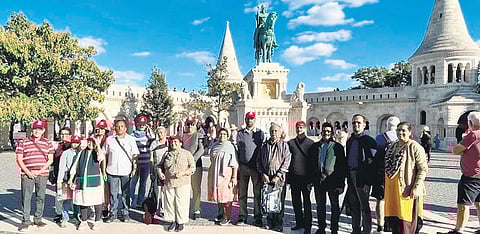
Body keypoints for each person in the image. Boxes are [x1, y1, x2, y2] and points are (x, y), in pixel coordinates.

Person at [439, 112, 480, 234]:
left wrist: (464, 143)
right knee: (479, 203)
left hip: (471, 175)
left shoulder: (472, 135)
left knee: (463, 204)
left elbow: (456, 150)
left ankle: (459, 230)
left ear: (470, 123)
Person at [384, 121, 428, 234]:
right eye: (398, 130)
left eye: (403, 130)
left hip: (407, 190)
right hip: (392, 191)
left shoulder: (415, 147)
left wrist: (416, 187)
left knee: (406, 223)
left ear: (409, 132)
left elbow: (423, 169)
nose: (400, 132)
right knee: (395, 220)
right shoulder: (393, 146)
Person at [309, 122, 347, 234]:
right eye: (324, 131)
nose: (326, 133)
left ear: (332, 133)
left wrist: (341, 184)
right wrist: (311, 180)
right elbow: (311, 164)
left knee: (335, 207)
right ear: (321, 132)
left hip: (332, 182)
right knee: (320, 206)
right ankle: (321, 228)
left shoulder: (337, 147)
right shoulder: (315, 147)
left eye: (328, 131)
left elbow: (342, 167)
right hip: (318, 181)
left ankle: (334, 229)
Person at [16, 120, 54, 232]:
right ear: (31, 130)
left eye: (39, 129)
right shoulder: (23, 142)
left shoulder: (48, 143)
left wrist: (40, 171)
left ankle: (38, 219)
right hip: (27, 174)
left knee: (41, 197)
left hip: (42, 174)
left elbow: (50, 159)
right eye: (35, 129)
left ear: (43, 130)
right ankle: (25, 221)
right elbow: (19, 159)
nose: (37, 131)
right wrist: (28, 172)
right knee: (26, 198)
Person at [344, 114, 377, 234]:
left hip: (362, 178)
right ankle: (355, 229)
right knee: (354, 205)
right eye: (354, 123)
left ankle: (366, 230)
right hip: (351, 175)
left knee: (364, 206)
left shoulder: (369, 140)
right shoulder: (351, 140)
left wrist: (368, 178)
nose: (356, 125)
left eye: (358, 123)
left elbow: (373, 161)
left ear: (364, 124)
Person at [257, 123, 291, 232]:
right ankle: (270, 221)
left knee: (279, 201)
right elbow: (259, 161)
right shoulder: (264, 145)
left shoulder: (284, 145)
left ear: (280, 132)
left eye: (276, 131)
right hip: (267, 177)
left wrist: (279, 175)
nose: (274, 133)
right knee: (268, 200)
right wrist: (263, 174)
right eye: (272, 131)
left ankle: (278, 223)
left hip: (279, 179)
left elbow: (287, 161)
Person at [104, 120, 140, 223]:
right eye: (118, 126)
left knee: (125, 194)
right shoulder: (109, 139)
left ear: (125, 128)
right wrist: (103, 170)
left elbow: (135, 155)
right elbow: (104, 154)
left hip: (126, 171)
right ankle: (113, 213)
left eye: (122, 126)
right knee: (113, 194)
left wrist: (134, 168)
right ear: (114, 127)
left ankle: (125, 213)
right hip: (112, 171)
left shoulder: (131, 140)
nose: (120, 128)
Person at [158, 136, 195, 232]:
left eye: (176, 141)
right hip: (169, 182)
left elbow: (192, 168)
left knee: (181, 202)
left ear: (181, 143)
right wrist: (160, 173)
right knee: (170, 202)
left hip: (182, 182)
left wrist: (184, 173)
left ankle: (180, 222)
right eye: (172, 142)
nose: (173, 143)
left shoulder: (187, 154)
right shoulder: (167, 154)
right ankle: (172, 221)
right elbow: (159, 166)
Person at [68, 137, 105, 230]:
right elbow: (75, 166)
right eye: (89, 142)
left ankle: (96, 221)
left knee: (97, 201)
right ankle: (83, 221)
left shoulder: (97, 152)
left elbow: (101, 157)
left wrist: (98, 146)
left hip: (94, 180)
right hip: (82, 179)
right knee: (83, 201)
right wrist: (71, 179)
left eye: (92, 142)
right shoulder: (81, 152)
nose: (90, 144)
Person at [237, 112, 265, 226]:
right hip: (243, 167)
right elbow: (238, 149)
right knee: (242, 193)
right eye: (248, 118)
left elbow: (263, 149)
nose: (249, 120)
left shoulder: (259, 133)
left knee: (257, 194)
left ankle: (258, 216)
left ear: (255, 120)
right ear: (245, 119)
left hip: (256, 169)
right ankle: (242, 216)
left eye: (252, 118)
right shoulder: (240, 133)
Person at [373, 116, 400, 233]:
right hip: (396, 175)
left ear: (386, 125)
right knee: (395, 199)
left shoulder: (380, 138)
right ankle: (393, 223)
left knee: (380, 199)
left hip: (381, 173)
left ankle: (380, 224)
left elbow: (374, 155)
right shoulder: (402, 138)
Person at [287, 121, 314, 234]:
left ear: (305, 128)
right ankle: (299, 222)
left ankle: (308, 225)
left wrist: (311, 180)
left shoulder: (310, 143)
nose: (299, 129)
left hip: (306, 178)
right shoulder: (291, 143)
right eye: (297, 127)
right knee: (296, 201)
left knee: (307, 202)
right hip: (294, 177)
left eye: (301, 127)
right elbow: (288, 160)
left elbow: (313, 162)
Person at [207, 128, 238, 225]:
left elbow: (234, 163)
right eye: (220, 134)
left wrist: (234, 177)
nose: (222, 136)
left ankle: (227, 217)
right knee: (219, 194)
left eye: (224, 134)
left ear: (227, 135)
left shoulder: (230, 147)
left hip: (227, 174)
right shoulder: (214, 146)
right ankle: (220, 214)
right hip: (215, 173)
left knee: (227, 196)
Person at [181, 117, 205, 219]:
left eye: (192, 124)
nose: (190, 126)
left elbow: (201, 149)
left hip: (196, 164)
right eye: (188, 124)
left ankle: (196, 209)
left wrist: (192, 160)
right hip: (183, 165)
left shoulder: (198, 136)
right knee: (183, 189)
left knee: (196, 189)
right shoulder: (182, 136)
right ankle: (183, 209)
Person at [56, 135, 82, 228]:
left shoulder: (81, 153)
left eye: (77, 143)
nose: (75, 144)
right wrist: (59, 180)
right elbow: (61, 167)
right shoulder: (66, 153)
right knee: (67, 198)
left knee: (77, 199)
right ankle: (65, 217)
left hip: (78, 177)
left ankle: (77, 216)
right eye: (73, 142)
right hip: (67, 177)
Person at [130, 116, 155, 209]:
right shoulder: (132, 136)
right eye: (140, 124)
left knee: (143, 183)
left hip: (146, 162)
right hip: (136, 163)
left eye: (143, 125)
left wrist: (150, 129)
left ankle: (140, 201)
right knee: (133, 183)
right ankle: (131, 201)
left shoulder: (148, 135)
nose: (141, 126)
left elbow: (154, 139)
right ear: (136, 125)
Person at [53, 127, 72, 226]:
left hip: (72, 177)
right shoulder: (58, 146)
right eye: (62, 134)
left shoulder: (74, 146)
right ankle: (59, 214)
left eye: (66, 134)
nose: (64, 136)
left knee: (72, 197)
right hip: (60, 176)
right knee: (59, 196)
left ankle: (73, 214)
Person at [149, 127, 169, 221]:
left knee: (165, 191)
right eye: (158, 132)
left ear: (165, 133)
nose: (160, 134)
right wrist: (151, 171)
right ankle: (155, 209)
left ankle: (164, 209)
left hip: (167, 169)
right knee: (156, 191)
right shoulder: (154, 144)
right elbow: (151, 159)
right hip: (157, 169)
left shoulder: (169, 143)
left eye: (162, 132)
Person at [93, 120, 111, 219]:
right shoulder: (93, 139)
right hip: (95, 165)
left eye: (102, 129)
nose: (99, 131)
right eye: (98, 129)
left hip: (105, 165)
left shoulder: (108, 139)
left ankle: (105, 207)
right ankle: (95, 207)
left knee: (105, 189)